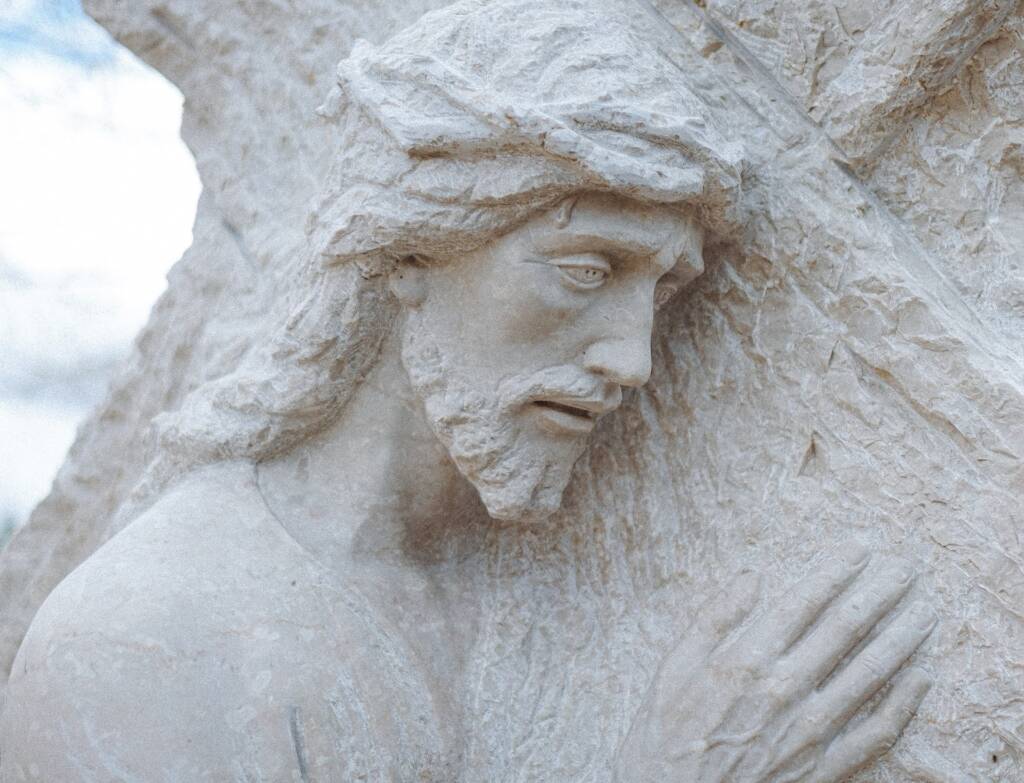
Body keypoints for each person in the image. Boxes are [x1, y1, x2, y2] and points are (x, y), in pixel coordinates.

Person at [0, 1, 935, 780]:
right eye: (584, 270)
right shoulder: (152, 640)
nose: (632, 360)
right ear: (408, 251)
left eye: (661, 291)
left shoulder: (560, 590)